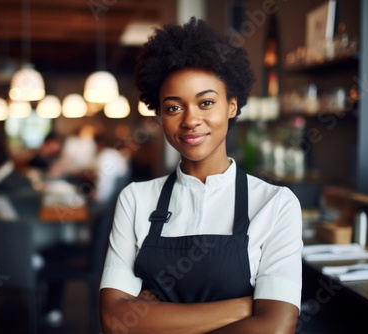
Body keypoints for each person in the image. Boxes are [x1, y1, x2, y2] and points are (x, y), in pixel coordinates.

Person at [99, 18, 303, 333]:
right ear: (161, 117)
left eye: (206, 102)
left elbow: (276, 328)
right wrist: (244, 308)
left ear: (232, 106)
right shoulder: (136, 200)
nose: (191, 120)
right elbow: (114, 320)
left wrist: (153, 318)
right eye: (173, 108)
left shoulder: (276, 205)